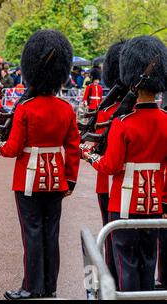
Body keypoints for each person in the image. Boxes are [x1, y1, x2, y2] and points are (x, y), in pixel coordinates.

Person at [0, 29, 80, 299]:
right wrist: (71, 180)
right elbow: (73, 148)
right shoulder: (66, 108)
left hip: (29, 180)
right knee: (51, 235)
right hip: (57, 180)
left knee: (32, 234)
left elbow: (15, 147)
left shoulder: (26, 108)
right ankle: (49, 287)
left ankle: (31, 287)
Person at [81, 36, 167, 292]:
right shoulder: (165, 120)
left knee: (126, 264)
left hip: (124, 205)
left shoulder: (123, 123)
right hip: (152, 204)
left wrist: (89, 155)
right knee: (148, 262)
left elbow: (110, 165)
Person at [87, 41, 127, 283]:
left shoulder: (109, 111)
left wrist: (88, 154)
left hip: (110, 184)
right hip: (145, 188)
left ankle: (114, 284)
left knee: (112, 236)